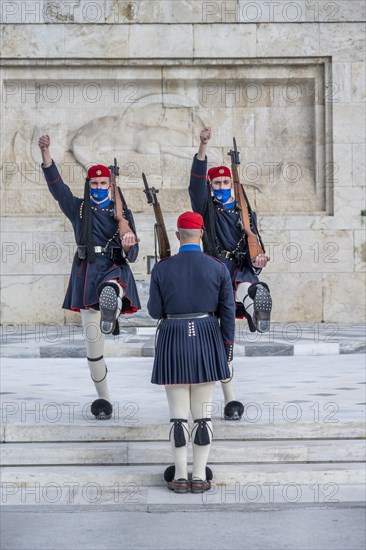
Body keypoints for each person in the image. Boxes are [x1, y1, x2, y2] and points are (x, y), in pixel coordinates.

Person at [38, 134, 141, 420]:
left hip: (113, 268)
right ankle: (104, 399)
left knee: (113, 287)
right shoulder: (79, 208)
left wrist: (130, 244)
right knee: (93, 348)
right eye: (93, 183)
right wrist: (46, 155)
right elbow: (57, 188)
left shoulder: (122, 213)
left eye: (102, 183)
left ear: (110, 185)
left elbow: (132, 254)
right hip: (87, 273)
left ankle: (112, 307)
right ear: (89, 184)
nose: (97, 187)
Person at [147, 212, 235, 493]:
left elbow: (154, 311)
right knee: (203, 414)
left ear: (177, 236)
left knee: (177, 415)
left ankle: (180, 477)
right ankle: (199, 477)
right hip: (208, 336)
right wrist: (227, 347)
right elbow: (228, 313)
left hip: (173, 337)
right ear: (201, 235)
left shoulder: (162, 268)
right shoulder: (218, 267)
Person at [189, 127, 272, 421]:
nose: (222, 185)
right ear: (211, 185)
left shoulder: (245, 211)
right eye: (218, 182)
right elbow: (195, 185)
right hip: (215, 272)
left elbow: (256, 245)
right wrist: (202, 147)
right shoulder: (205, 206)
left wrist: (260, 259)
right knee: (224, 340)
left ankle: (256, 309)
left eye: (226, 181)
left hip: (242, 270)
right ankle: (230, 399)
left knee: (253, 288)